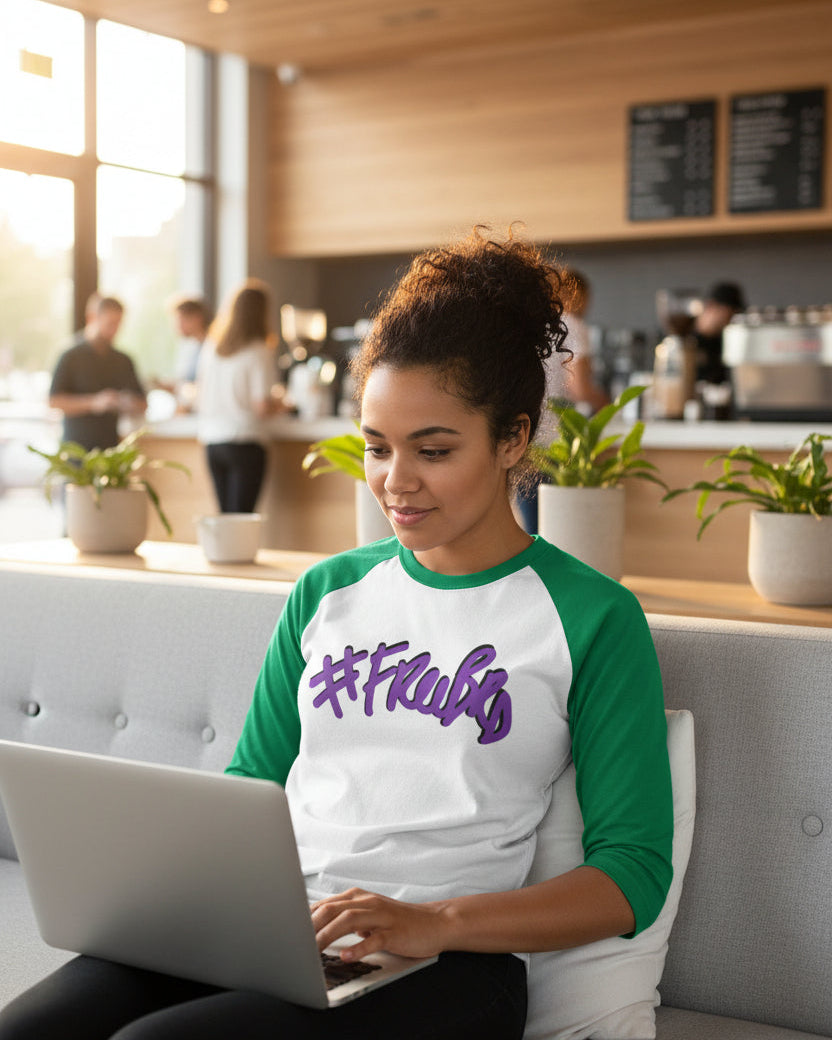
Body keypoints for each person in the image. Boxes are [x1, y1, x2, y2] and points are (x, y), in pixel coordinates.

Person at [0, 229, 673, 1040]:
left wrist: (436, 921)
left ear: (512, 439)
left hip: (450, 968)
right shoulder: (327, 592)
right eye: (377, 447)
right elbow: (251, 786)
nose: (396, 481)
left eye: (433, 450)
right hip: (276, 926)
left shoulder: (591, 616)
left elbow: (632, 875)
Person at [515, 267, 608, 533]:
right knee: (555, 528)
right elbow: (580, 389)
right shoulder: (573, 326)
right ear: (576, 295)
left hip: (525, 436)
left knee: (532, 527)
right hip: (555, 441)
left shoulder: (533, 328)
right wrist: (611, 408)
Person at [196, 279, 281, 514]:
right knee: (241, 517)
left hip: (212, 441)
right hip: (244, 441)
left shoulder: (212, 348)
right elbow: (262, 406)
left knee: (226, 516)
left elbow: (199, 393)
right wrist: (282, 406)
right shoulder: (259, 350)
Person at [49, 294, 146, 451]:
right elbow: (54, 401)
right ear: (92, 318)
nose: (114, 330)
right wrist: (94, 403)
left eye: (118, 324)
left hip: (110, 450)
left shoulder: (123, 360)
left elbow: (142, 403)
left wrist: (125, 402)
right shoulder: (70, 356)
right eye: (110, 323)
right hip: (76, 450)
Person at [693, 281, 746, 385]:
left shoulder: (729, 340)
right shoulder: (686, 339)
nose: (730, 321)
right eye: (729, 314)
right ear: (711, 306)